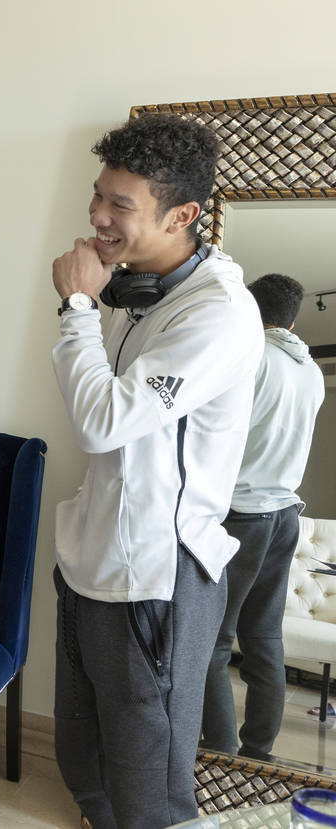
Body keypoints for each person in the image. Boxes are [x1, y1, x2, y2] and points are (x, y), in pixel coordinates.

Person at [50, 114, 265, 828]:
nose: (97, 217)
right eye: (97, 196)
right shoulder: (139, 287)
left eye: (121, 205)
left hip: (156, 575)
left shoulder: (220, 313)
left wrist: (78, 305)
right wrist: (98, 300)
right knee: (83, 762)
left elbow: (102, 420)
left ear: (183, 215)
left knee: (151, 791)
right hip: (90, 560)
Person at [200, 273, 325, 759]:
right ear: (294, 318)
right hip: (284, 516)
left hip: (243, 517)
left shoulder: (250, 358)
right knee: (264, 640)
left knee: (213, 642)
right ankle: (259, 756)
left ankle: (221, 753)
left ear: (251, 310)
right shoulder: (311, 372)